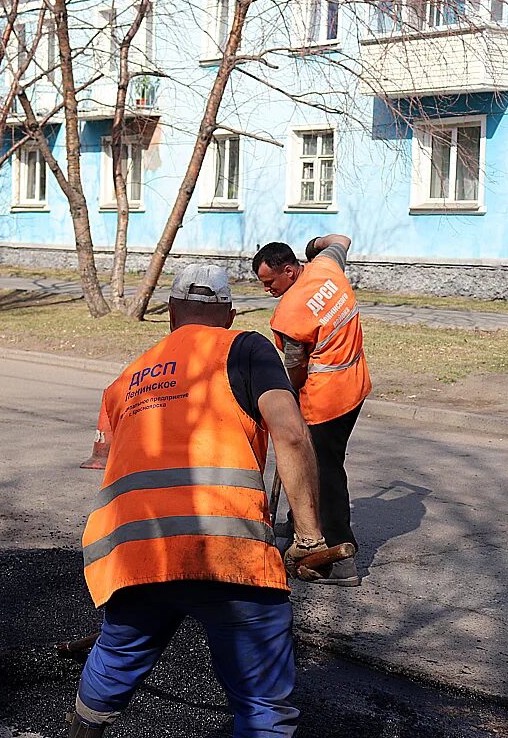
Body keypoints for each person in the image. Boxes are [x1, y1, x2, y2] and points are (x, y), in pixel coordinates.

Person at [68, 264, 328, 738]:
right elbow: (290, 432)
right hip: (230, 552)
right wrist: (309, 538)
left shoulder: (131, 375)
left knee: (117, 654)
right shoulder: (246, 348)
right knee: (261, 699)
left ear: (170, 313)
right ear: (228, 315)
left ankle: (83, 730)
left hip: (138, 554)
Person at [251, 235, 371, 586]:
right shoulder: (327, 266)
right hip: (356, 384)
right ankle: (302, 522)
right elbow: (342, 240)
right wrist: (314, 244)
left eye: (270, 282)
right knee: (323, 463)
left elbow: (294, 371)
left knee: (322, 471)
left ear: (288, 271)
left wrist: (284, 404)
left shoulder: (290, 315)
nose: (267, 290)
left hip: (327, 399)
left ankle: (339, 556)